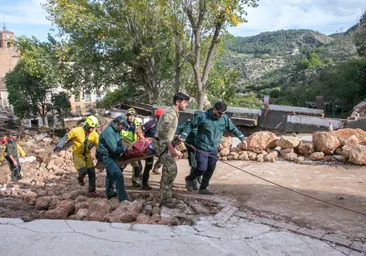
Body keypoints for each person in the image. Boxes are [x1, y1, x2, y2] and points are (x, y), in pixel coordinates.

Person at [181, 102, 245, 195]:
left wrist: (242, 138)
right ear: (214, 109)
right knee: (202, 168)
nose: (221, 115)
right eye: (219, 113)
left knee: (210, 169)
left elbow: (233, 128)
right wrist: (184, 135)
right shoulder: (203, 117)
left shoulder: (224, 119)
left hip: (213, 148)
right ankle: (189, 179)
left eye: (223, 113)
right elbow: (190, 125)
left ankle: (203, 188)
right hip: (202, 147)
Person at [152, 92, 190, 204]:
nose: (187, 105)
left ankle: (164, 194)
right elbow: (162, 132)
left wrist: (175, 137)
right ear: (177, 102)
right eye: (185, 102)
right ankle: (165, 199)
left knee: (169, 170)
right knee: (171, 170)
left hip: (164, 143)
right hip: (161, 144)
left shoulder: (174, 113)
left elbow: (167, 132)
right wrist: (171, 149)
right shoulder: (170, 113)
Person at [54, 115, 99, 196]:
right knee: (83, 170)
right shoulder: (77, 131)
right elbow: (66, 137)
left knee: (92, 173)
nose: (92, 130)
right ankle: (80, 178)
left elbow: (100, 145)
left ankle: (92, 190)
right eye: (91, 127)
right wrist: (59, 145)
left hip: (87, 155)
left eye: (93, 128)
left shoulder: (95, 135)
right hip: (78, 154)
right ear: (87, 125)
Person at [96, 115, 132, 202]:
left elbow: (119, 143)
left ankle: (110, 193)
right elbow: (114, 148)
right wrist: (125, 149)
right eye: (122, 126)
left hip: (111, 154)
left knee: (110, 174)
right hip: (105, 155)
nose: (122, 128)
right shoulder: (109, 132)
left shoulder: (117, 130)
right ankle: (122, 198)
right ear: (116, 123)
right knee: (118, 173)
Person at [175, 110, 202, 190]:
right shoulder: (189, 123)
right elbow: (179, 130)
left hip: (201, 147)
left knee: (201, 164)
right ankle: (193, 182)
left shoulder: (203, 124)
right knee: (194, 164)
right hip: (191, 147)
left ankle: (198, 178)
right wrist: (177, 136)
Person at [140, 107, 164, 190]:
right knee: (148, 166)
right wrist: (144, 140)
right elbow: (139, 130)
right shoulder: (151, 123)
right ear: (157, 117)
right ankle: (144, 183)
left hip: (160, 148)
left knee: (167, 163)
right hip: (149, 149)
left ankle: (164, 185)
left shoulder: (164, 126)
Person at [121, 108, 144, 188]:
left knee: (138, 167)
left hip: (133, 148)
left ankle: (135, 181)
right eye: (130, 116)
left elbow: (141, 137)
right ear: (127, 116)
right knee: (121, 166)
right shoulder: (123, 125)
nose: (131, 117)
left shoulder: (136, 125)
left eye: (133, 116)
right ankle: (116, 182)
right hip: (123, 148)